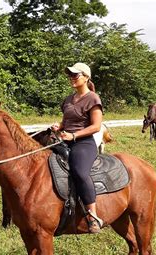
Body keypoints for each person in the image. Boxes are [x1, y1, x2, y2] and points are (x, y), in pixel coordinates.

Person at [51, 62, 104, 233]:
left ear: (86, 78)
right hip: (65, 140)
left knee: (80, 171)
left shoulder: (93, 99)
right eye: (70, 75)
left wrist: (74, 135)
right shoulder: (68, 100)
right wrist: (59, 127)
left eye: (76, 75)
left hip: (84, 143)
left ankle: (92, 215)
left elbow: (96, 126)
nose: (72, 78)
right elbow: (67, 122)